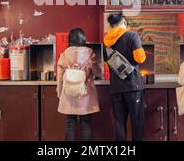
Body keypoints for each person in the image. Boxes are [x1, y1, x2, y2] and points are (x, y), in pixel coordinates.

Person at [103, 13, 146, 141]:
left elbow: (107, 63)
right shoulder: (132, 36)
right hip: (133, 86)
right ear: (124, 22)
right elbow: (140, 58)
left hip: (116, 88)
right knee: (137, 123)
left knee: (119, 124)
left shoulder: (107, 41)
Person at [57, 28, 101, 141]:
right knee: (86, 125)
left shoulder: (64, 54)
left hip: (69, 94)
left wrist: (59, 93)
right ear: (83, 39)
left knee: (70, 125)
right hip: (85, 95)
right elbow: (97, 73)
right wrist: (93, 64)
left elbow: (60, 77)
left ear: (70, 40)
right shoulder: (90, 53)